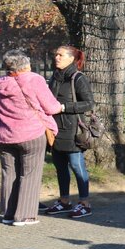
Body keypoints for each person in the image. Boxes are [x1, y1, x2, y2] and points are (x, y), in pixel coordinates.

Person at [0, 49, 63, 226]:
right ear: (25, 64)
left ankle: (8, 213)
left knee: (9, 173)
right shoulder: (34, 79)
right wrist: (61, 107)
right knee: (30, 174)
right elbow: (51, 107)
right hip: (31, 133)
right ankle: (24, 216)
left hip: (4, 134)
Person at [46, 45, 95, 218]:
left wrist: (64, 107)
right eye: (56, 54)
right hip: (54, 128)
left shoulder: (78, 78)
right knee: (60, 167)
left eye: (60, 55)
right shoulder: (54, 77)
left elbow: (89, 103)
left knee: (76, 165)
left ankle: (84, 203)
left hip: (73, 130)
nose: (56, 57)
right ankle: (64, 201)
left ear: (71, 59)